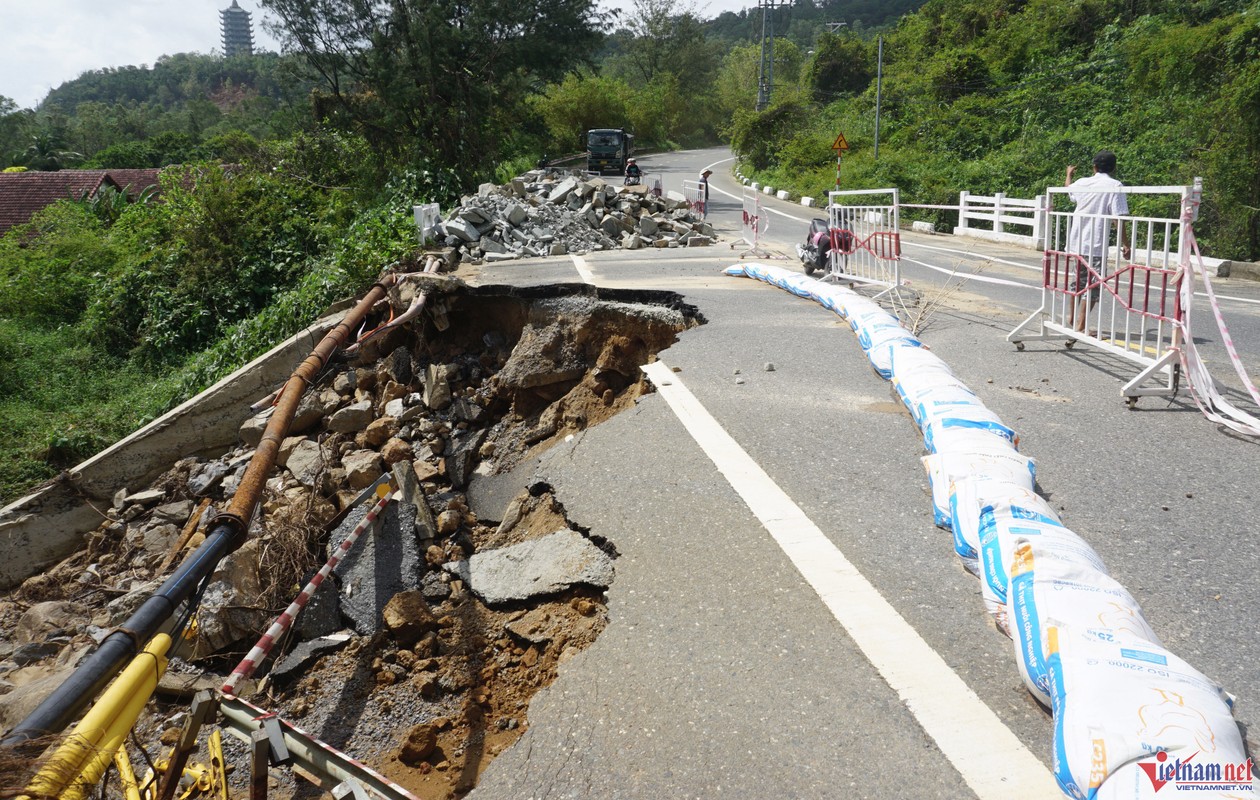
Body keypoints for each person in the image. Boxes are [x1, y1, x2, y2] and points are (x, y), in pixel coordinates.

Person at [1064, 150, 1130, 334]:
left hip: (1076, 241)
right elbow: (1118, 218)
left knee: (1077, 281)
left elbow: (1068, 189)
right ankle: (1081, 325)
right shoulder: (1115, 185)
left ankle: (1070, 316)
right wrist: (1125, 243)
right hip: (1096, 244)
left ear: (1094, 166)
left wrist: (1069, 174)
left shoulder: (1082, 182)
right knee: (1093, 285)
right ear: (1114, 167)